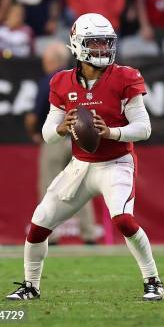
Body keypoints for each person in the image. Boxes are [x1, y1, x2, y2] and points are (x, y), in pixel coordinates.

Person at [6, 13, 164, 301]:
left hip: (116, 163)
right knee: (39, 224)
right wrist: (61, 127)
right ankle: (30, 286)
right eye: (96, 43)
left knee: (124, 221)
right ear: (78, 45)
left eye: (107, 43)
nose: (103, 49)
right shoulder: (61, 82)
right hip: (80, 166)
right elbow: (47, 135)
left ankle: (152, 280)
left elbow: (144, 128)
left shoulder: (126, 76)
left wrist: (112, 133)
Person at [24, 41, 97, 245]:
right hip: (80, 140)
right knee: (81, 187)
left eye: (46, 60)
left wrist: (34, 133)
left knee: (49, 186)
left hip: (56, 138)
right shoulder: (79, 80)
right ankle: (89, 233)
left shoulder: (49, 81)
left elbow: (33, 116)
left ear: (53, 61)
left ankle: (51, 234)